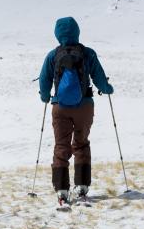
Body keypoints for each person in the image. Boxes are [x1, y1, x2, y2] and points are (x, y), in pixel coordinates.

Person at [38, 16, 113, 206]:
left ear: (57, 35)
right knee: (81, 144)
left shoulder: (53, 55)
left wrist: (45, 96)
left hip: (60, 107)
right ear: (77, 32)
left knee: (61, 147)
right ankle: (81, 187)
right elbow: (99, 78)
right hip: (85, 106)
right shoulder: (87, 53)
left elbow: (44, 80)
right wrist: (107, 88)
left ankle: (62, 190)